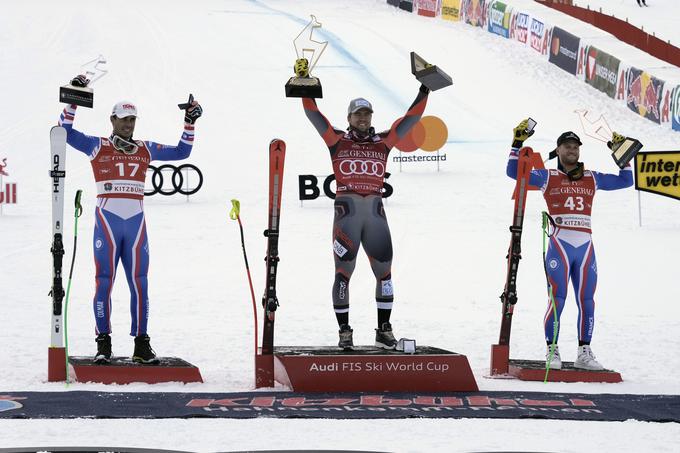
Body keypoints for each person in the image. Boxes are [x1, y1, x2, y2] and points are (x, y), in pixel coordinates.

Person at [57, 75, 203, 364]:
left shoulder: (145, 149)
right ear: (112, 120)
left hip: (136, 224)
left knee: (140, 283)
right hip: (107, 222)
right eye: (123, 119)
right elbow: (64, 132)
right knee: (103, 281)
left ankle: (141, 344)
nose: (128, 124)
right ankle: (103, 342)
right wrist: (74, 99)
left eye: (132, 119)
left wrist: (190, 121)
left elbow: (182, 151)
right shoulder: (97, 146)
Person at [297, 58, 430, 350]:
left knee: (385, 273)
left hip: (375, 217)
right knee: (343, 273)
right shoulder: (337, 140)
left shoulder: (383, 142)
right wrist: (304, 82)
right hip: (347, 217)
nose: (363, 119)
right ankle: (344, 331)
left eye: (367, 114)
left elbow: (410, 119)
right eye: (358, 114)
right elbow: (312, 113)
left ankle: (384, 328)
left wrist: (425, 89)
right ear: (349, 117)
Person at [507, 120, 633, 370]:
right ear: (559, 150)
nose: (572, 150)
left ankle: (584, 352)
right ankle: (552, 349)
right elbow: (514, 173)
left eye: (575, 146)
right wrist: (517, 143)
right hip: (560, 245)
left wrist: (622, 155)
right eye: (567, 146)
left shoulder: (591, 177)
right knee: (558, 298)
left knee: (587, 300)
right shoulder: (548, 176)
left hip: (586, 247)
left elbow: (626, 180)